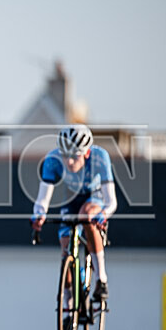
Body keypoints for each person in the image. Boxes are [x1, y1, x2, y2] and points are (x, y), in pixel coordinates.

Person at [32, 124, 116, 300]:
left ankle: (101, 279)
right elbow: (43, 197)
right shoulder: (52, 160)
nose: (69, 161)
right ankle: (70, 307)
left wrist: (103, 215)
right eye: (65, 156)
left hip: (94, 197)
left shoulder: (100, 158)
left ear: (86, 153)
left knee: (86, 216)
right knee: (65, 245)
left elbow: (111, 201)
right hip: (71, 199)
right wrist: (39, 215)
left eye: (74, 156)